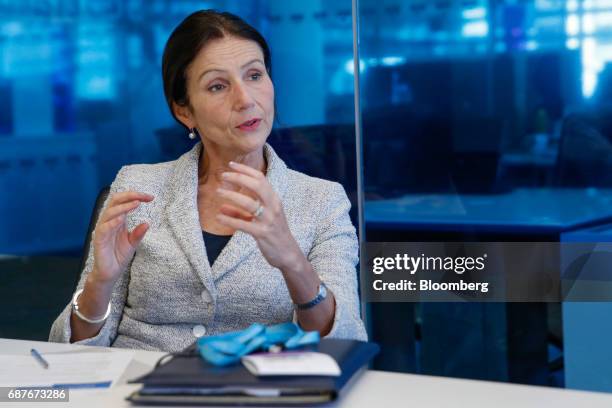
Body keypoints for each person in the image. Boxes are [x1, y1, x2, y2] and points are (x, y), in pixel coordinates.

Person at [49, 10, 367, 352]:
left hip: (255, 395)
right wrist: (100, 283)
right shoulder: (138, 186)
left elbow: (345, 340)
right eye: (218, 85)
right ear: (184, 111)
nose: (246, 99)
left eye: (255, 75)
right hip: (138, 391)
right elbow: (69, 348)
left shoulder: (322, 202)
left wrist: (293, 261)